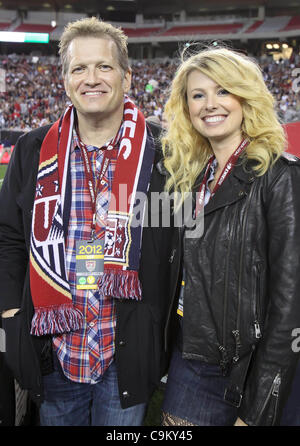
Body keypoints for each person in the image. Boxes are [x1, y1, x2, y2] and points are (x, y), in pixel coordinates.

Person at [0, 17, 177, 426]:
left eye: (104, 66)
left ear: (128, 77)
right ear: (64, 80)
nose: (91, 78)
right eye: (79, 68)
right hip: (56, 346)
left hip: (127, 351)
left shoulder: (164, 153)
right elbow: (8, 236)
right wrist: (11, 315)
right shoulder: (33, 148)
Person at [160, 46, 300, 426]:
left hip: (252, 364)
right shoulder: (188, 178)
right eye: (198, 95)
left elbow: (291, 302)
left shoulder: (280, 176)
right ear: (186, 107)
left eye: (223, 91)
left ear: (246, 98)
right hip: (192, 358)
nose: (210, 104)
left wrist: (257, 408)